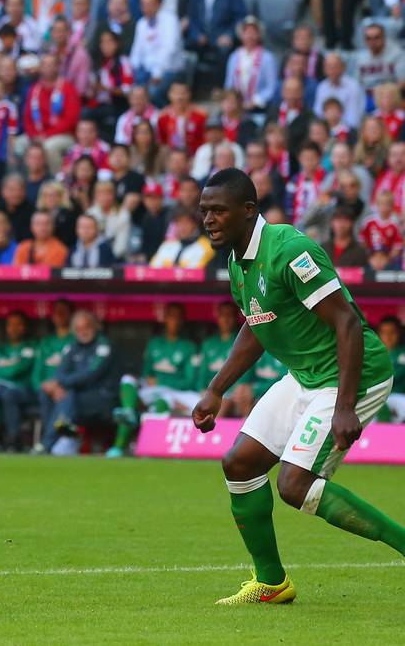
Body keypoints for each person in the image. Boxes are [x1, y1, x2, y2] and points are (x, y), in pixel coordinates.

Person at [192, 167, 404, 605]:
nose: (208, 219)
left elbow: (346, 321)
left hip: (351, 376)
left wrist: (345, 406)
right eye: (204, 211)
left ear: (249, 211)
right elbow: (256, 324)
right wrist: (217, 388)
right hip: (306, 376)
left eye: (218, 210)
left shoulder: (290, 251)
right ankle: (271, 582)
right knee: (240, 464)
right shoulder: (238, 261)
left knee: (294, 485)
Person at [112, 303, 199, 457]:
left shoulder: (188, 346)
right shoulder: (154, 343)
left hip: (175, 391)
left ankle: (149, 448)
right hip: (154, 389)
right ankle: (128, 417)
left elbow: (190, 381)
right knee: (128, 380)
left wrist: (161, 381)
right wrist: (152, 381)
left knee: (161, 402)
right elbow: (147, 375)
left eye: (177, 317)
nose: (174, 321)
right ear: (164, 319)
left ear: (182, 321)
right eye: (170, 316)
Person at [39, 310, 117, 453]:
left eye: (86, 327)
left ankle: (48, 443)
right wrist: (56, 386)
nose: (83, 332)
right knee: (47, 393)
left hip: (101, 397)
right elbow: (60, 370)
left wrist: (61, 384)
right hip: (76, 396)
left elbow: (90, 375)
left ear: (94, 326)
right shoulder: (73, 347)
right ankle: (58, 435)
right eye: (78, 328)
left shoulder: (104, 346)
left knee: (67, 395)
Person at [0, 311, 36, 452]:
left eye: (18, 325)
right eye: (10, 325)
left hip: (24, 391)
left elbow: (16, 371)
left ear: (25, 327)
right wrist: (5, 372)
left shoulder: (30, 347)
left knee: (7, 394)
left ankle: (14, 440)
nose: (14, 328)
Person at [196, 301, 256, 418]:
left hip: (233, 394)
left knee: (228, 402)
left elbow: (244, 376)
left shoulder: (243, 342)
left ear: (235, 318)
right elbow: (201, 377)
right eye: (223, 315)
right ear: (217, 317)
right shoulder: (209, 344)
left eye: (229, 315)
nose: (226, 319)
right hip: (208, 393)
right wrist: (204, 391)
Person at [149, 207, 214, 269]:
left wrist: (167, 266)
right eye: (179, 222)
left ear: (195, 224)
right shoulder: (167, 244)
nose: (183, 227)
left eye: (186, 222)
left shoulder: (206, 245)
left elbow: (195, 271)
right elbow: (153, 269)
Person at [377, 318, 405, 423]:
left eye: (392, 332)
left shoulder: (402, 352)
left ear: (399, 333)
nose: (388, 337)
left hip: (399, 396)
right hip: (377, 397)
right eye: (384, 332)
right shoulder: (373, 353)